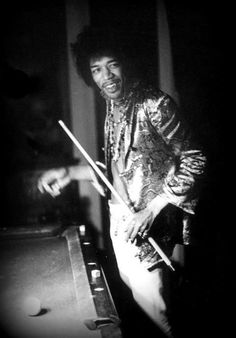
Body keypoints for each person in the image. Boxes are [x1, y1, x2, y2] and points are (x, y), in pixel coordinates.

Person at [38, 25, 207, 337]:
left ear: (125, 62)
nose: (107, 76)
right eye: (97, 69)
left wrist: (152, 210)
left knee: (162, 319)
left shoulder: (155, 104)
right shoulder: (112, 105)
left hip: (148, 226)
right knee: (145, 311)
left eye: (112, 64)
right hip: (121, 222)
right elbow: (119, 171)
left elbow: (196, 159)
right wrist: (70, 173)